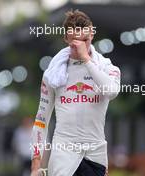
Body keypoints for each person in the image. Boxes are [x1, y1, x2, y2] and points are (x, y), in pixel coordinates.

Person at [31, 9, 120, 176]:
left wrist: (87, 60)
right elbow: (41, 120)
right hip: (63, 153)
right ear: (66, 38)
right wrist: (36, 166)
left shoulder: (106, 67)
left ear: (92, 35)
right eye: (74, 41)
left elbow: (112, 91)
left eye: (84, 40)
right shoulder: (52, 73)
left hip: (95, 153)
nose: (80, 46)